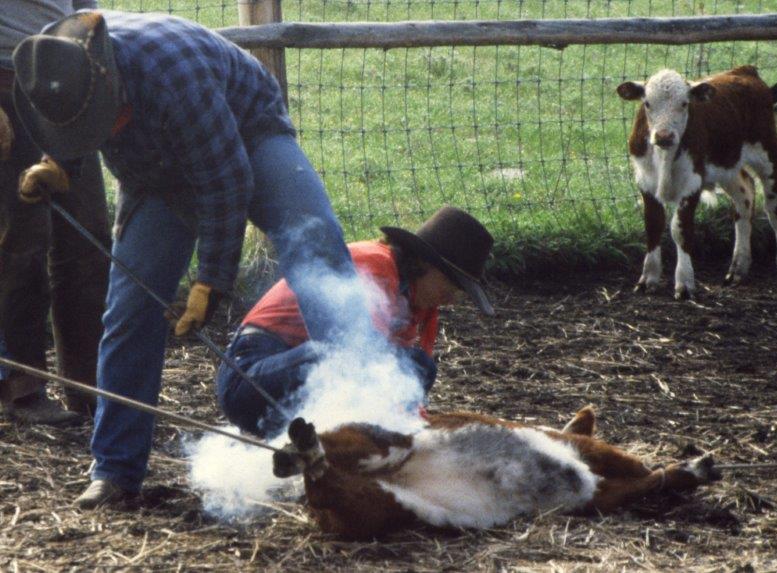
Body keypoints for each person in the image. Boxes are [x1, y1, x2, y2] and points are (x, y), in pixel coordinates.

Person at [12, 10, 381, 508]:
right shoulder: (53, 61)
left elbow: (226, 182)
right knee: (129, 311)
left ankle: (371, 430)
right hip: (154, 171)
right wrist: (59, 164)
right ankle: (115, 471)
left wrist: (211, 281)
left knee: (317, 251)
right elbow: (68, 120)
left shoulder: (174, 75)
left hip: (246, 133)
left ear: (112, 83)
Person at [216, 206, 495, 438]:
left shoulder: (418, 301)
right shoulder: (373, 267)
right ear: (426, 264)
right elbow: (361, 360)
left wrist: (414, 429)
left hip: (296, 389)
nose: (452, 299)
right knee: (345, 357)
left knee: (418, 365)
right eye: (452, 285)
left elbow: (404, 384)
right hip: (248, 380)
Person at [0, 1, 110, 425]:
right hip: (6, 81)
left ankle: (88, 386)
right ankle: (22, 388)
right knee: (22, 242)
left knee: (89, 238)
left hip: (65, 82)